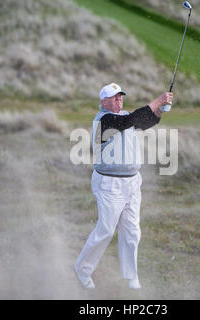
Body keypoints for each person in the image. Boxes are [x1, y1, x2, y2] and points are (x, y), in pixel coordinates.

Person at [74, 83, 173, 289]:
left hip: (132, 183)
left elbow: (145, 122)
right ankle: (82, 270)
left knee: (133, 231)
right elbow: (131, 120)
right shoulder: (104, 120)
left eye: (120, 96)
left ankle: (131, 276)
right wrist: (159, 100)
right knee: (106, 230)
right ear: (103, 101)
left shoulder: (124, 117)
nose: (118, 100)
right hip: (109, 184)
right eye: (113, 97)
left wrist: (160, 111)